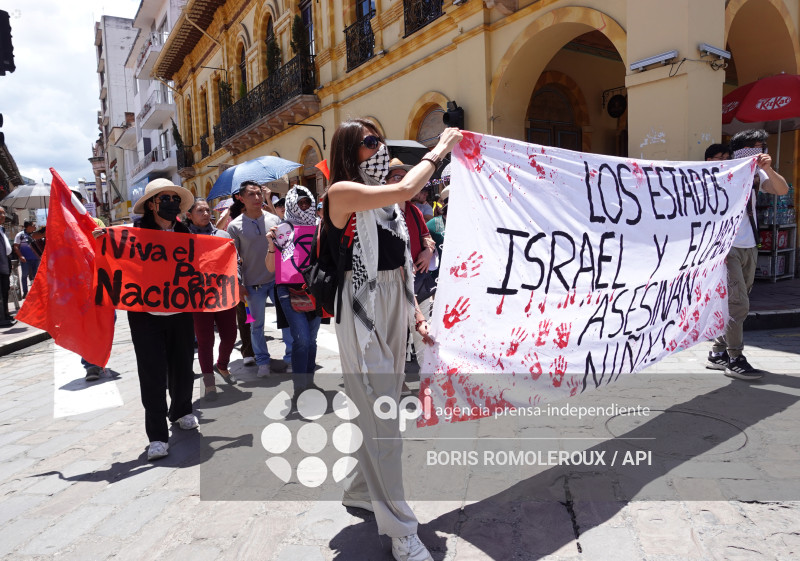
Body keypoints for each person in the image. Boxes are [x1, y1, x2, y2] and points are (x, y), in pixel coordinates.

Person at [324, 118, 462, 561]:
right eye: (370, 143)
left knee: (379, 413)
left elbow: (399, 266)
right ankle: (401, 530)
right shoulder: (342, 193)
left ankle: (362, 490)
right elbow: (407, 189)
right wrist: (439, 148)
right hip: (360, 314)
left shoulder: (388, 210)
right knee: (385, 420)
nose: (379, 149)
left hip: (393, 308)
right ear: (349, 150)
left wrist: (417, 315)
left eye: (380, 140)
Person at [125, 178, 200, 461]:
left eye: (174, 198)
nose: (171, 203)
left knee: (183, 366)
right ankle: (157, 435)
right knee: (152, 374)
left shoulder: (185, 232)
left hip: (181, 312)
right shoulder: (135, 234)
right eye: (164, 198)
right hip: (146, 317)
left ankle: (181, 410)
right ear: (152, 205)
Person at [706, 131, 788, 379]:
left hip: (749, 245)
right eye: (755, 146)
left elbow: (781, 189)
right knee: (737, 303)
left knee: (736, 300)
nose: (761, 149)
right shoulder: (722, 172)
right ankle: (735, 356)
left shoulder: (757, 173)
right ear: (741, 150)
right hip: (725, 248)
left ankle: (718, 351)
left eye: (762, 145)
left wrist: (768, 170)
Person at [265, 186, 322, 407]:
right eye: (299, 203)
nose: (304, 207)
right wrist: (271, 245)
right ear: (290, 204)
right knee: (302, 339)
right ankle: (300, 388)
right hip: (289, 290)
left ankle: (310, 382)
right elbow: (271, 268)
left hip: (315, 289)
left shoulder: (320, 228)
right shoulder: (280, 230)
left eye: (307, 202)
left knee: (312, 340)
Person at [226, 181, 288, 377]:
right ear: (241, 198)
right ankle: (262, 361)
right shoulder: (234, 226)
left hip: (278, 282)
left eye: (259, 194)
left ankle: (291, 357)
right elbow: (233, 258)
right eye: (252, 194)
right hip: (253, 286)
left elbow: (285, 249)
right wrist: (239, 283)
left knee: (287, 321)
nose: (257, 198)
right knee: (255, 325)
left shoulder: (274, 220)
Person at [386, 158, 437, 375]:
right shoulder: (380, 213)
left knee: (425, 337)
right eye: (397, 176)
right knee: (395, 342)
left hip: (420, 286)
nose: (403, 180)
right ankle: (397, 384)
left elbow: (428, 237)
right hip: (394, 289)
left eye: (404, 176)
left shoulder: (414, 210)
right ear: (386, 182)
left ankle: (429, 384)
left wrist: (427, 251)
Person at [186, 198, 238, 400]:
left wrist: (239, 283)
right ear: (189, 215)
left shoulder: (223, 236)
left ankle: (222, 365)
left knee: (230, 335)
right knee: (205, 341)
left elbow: (234, 263)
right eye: (200, 211)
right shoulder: (182, 238)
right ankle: (209, 383)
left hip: (224, 294)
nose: (206, 214)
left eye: (208, 210)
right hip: (198, 298)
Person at [71, 190, 109, 381]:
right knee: (85, 324)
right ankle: (90, 365)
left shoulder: (97, 222)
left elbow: (108, 245)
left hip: (99, 282)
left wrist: (100, 237)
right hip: (76, 285)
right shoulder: (60, 227)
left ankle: (99, 357)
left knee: (107, 321)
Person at [13, 221, 43, 298]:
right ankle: (25, 292)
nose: (35, 227)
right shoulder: (20, 235)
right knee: (24, 275)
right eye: (33, 225)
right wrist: (21, 256)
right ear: (29, 227)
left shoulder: (36, 235)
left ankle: (36, 292)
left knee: (36, 276)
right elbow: (16, 246)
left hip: (36, 259)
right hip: (25, 260)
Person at [0, 206, 16, 327]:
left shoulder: (1, 229)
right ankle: (2, 317)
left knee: (5, 292)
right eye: (1, 214)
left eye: (4, 213)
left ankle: (5, 314)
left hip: (5, 266)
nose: (3, 216)